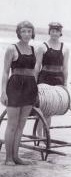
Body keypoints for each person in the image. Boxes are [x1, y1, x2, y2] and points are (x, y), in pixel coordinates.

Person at [0, 21, 38, 165]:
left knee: (21, 124)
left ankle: (16, 156)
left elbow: (34, 72)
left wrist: (36, 90)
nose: (27, 34)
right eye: (24, 31)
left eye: (29, 31)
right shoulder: (12, 48)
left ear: (32, 33)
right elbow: (4, 72)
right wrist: (3, 92)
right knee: (12, 124)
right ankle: (8, 157)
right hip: (15, 87)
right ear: (19, 33)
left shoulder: (33, 49)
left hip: (30, 87)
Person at [35, 22, 69, 135]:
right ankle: (39, 135)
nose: (54, 33)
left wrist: (65, 84)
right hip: (44, 77)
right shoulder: (42, 46)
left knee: (51, 108)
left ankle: (46, 135)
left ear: (60, 33)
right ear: (49, 32)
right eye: (52, 31)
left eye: (57, 31)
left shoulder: (65, 48)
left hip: (58, 79)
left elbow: (65, 68)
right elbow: (37, 66)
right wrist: (34, 82)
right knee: (42, 107)